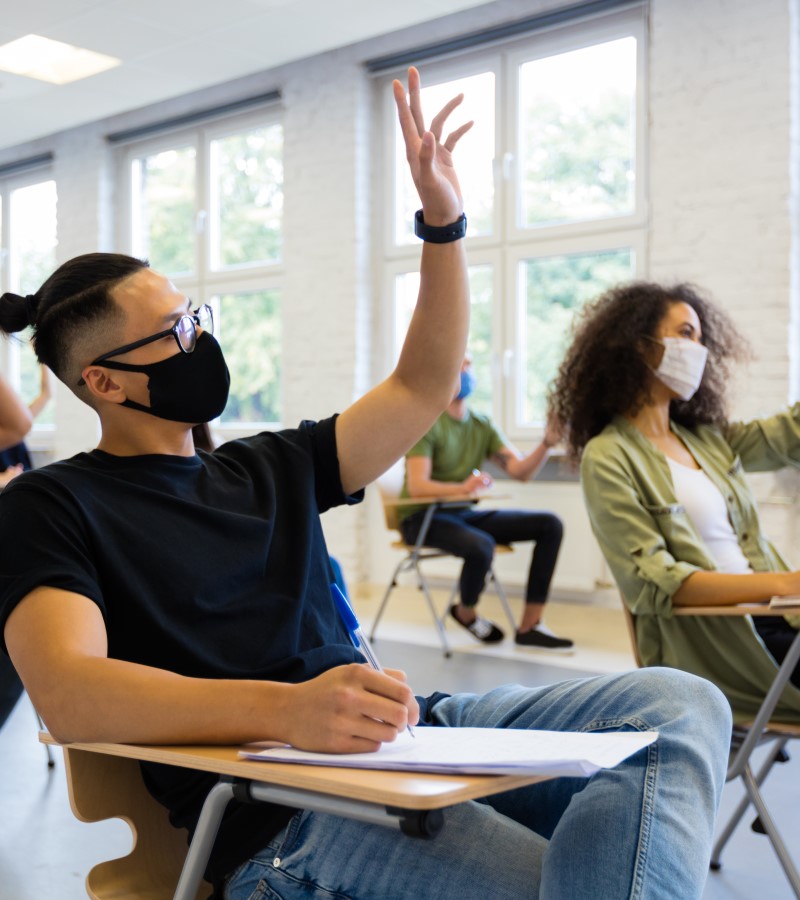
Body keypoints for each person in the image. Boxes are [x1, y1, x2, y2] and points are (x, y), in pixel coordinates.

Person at [0, 71, 731, 899]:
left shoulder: (267, 465)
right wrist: (284, 711)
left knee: (680, 708)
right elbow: (70, 694)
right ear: (104, 383)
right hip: (284, 814)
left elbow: (421, 385)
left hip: (409, 731)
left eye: (195, 315)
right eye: (174, 332)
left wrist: (443, 225)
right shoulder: (50, 506)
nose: (199, 339)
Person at [549, 280, 800, 723]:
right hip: (717, 643)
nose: (697, 350)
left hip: (779, 621)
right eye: (686, 334)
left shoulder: (707, 440)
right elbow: (658, 584)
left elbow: (786, 435)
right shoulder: (609, 455)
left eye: (702, 339)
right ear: (640, 346)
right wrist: (784, 584)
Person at [400, 354, 572, 649]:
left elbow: (520, 472)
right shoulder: (427, 423)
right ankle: (465, 612)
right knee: (481, 545)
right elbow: (417, 487)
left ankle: (531, 626)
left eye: (469, 365)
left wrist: (546, 443)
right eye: (460, 365)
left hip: (461, 514)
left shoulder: (481, 425)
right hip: (422, 518)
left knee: (549, 525)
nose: (467, 370)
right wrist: (463, 487)